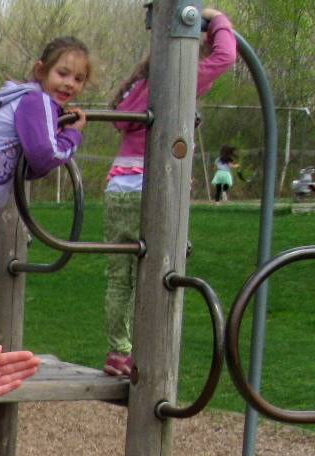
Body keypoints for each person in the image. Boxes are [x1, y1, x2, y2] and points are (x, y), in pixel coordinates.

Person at [102, 10, 237, 377]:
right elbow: (226, 56)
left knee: (121, 274)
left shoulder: (139, 84)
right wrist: (216, 18)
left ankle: (118, 352)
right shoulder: (180, 77)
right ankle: (152, 353)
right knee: (161, 268)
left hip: (119, 187)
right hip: (155, 185)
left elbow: (120, 120)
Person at [0, 37, 90, 302]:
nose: (69, 83)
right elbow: (45, 155)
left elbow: (28, 167)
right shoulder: (37, 101)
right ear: (41, 70)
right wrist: (73, 137)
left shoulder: (36, 104)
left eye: (78, 79)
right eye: (62, 73)